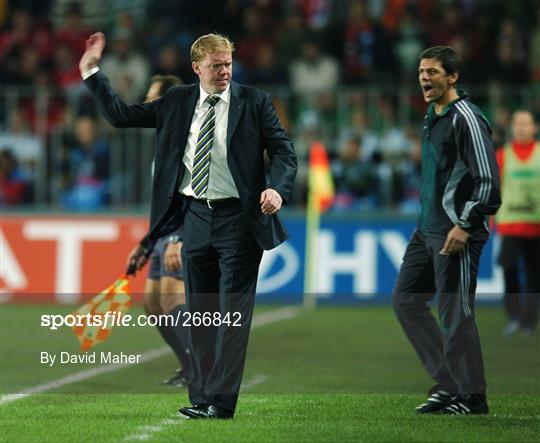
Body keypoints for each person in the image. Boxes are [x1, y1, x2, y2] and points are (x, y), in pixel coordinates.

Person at [79, 32, 297, 419]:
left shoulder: (255, 101)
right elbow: (120, 116)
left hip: (241, 221)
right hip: (195, 218)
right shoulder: (179, 102)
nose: (225, 71)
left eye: (228, 63)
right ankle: (202, 398)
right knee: (200, 315)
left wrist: (276, 189)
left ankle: (222, 402)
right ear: (196, 67)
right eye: (216, 65)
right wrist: (92, 71)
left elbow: (283, 151)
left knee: (231, 317)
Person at [392, 46, 501, 415]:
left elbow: (489, 182)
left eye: (433, 72)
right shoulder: (432, 115)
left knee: (455, 311)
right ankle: (450, 383)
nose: (424, 77)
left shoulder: (466, 118)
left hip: (456, 232)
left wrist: (465, 225)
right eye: (422, 71)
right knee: (406, 300)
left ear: (452, 77)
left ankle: (472, 397)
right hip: (428, 229)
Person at [125, 74, 192, 387]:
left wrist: (179, 237)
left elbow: (191, 195)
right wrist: (146, 243)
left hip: (183, 231)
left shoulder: (186, 140)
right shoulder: (162, 142)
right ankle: (190, 364)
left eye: (154, 98)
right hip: (163, 234)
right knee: (152, 306)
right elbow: (161, 203)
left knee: (170, 300)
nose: (148, 104)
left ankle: (207, 366)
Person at [495, 110, 540, 337]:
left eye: (526, 123)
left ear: (535, 128)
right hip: (510, 225)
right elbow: (493, 190)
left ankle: (529, 323)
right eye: (517, 124)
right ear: (512, 128)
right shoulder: (503, 155)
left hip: (536, 227)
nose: (521, 128)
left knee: (534, 275)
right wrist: (493, 220)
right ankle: (513, 317)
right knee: (509, 270)